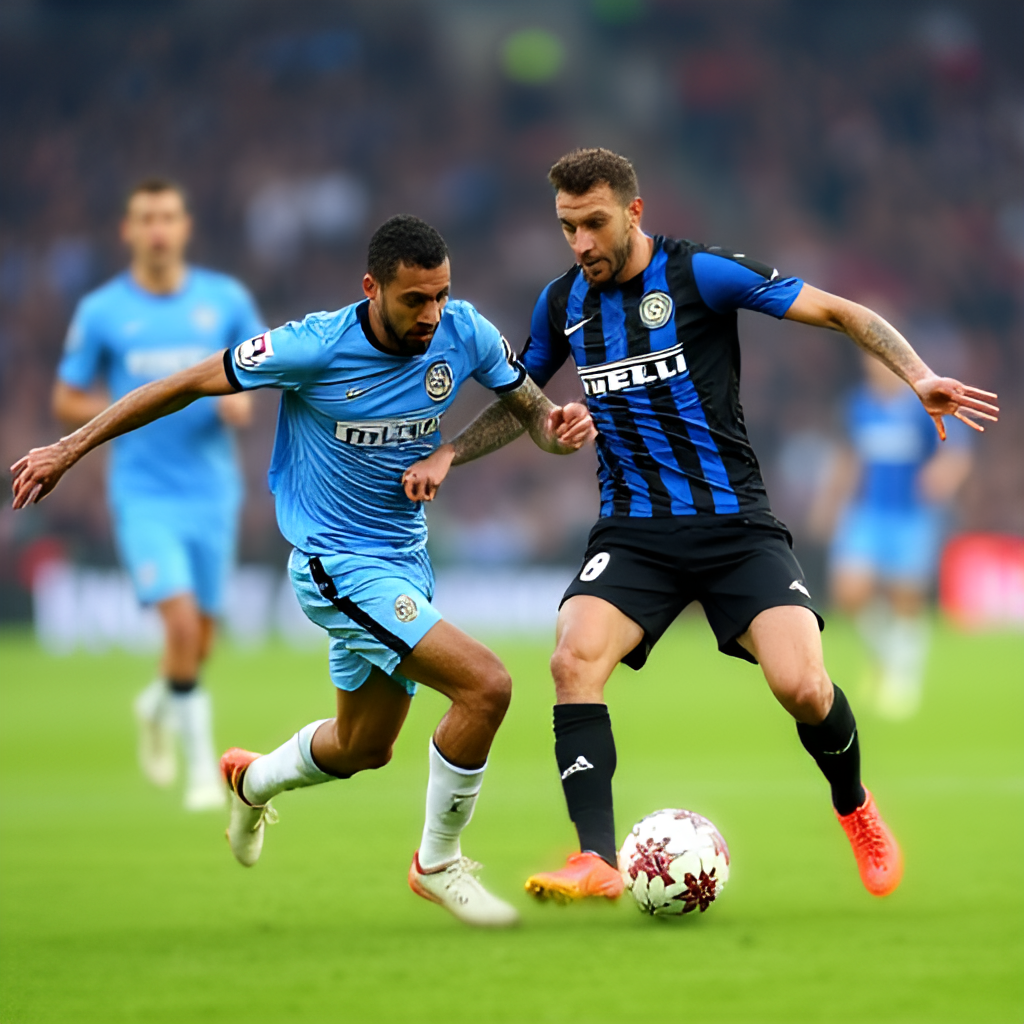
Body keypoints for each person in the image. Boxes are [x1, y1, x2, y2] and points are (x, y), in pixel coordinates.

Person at [402, 148, 998, 904]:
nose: (581, 242)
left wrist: (919, 378)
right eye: (567, 228)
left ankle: (855, 806)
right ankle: (594, 857)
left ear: (633, 212)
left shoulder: (698, 274)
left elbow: (844, 312)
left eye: (594, 223)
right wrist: (454, 449)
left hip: (735, 527)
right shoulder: (561, 305)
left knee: (804, 687)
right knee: (572, 662)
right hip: (633, 533)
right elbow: (525, 403)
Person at [13, 215, 595, 927]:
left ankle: (252, 780)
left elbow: (528, 409)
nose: (431, 314)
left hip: (404, 562)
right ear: (371, 288)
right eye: (415, 299)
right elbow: (187, 383)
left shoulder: (464, 330)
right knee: (487, 685)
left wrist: (554, 431)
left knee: (363, 748)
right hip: (337, 563)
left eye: (441, 295)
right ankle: (438, 864)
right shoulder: (314, 345)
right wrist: (69, 449)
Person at [52, 178, 264, 811]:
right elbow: (66, 396)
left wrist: (238, 406)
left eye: (168, 216)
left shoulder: (224, 301)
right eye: (146, 218)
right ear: (128, 230)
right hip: (143, 494)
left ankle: (156, 704)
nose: (157, 229)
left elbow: (256, 378)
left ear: (184, 226)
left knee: (199, 638)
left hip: (211, 493)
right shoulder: (101, 312)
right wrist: (130, 408)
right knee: (176, 623)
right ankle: (203, 769)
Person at [809, 351, 973, 720]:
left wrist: (942, 476)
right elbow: (849, 458)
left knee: (905, 598)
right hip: (866, 512)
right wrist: (830, 502)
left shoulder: (920, 405)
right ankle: (886, 657)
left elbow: (957, 452)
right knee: (849, 592)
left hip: (910, 515)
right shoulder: (858, 405)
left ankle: (903, 680)